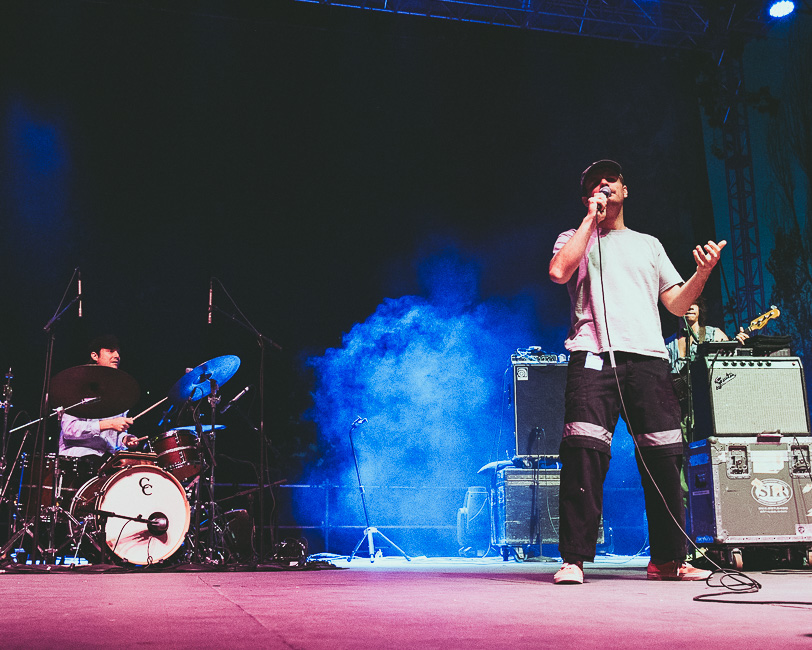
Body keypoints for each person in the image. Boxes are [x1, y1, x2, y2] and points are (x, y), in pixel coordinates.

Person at [548, 159, 720, 584]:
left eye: (611, 179)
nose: (603, 184)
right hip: (593, 356)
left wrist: (702, 272)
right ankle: (574, 559)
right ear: (587, 195)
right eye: (593, 182)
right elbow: (558, 271)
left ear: (626, 188)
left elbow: (677, 305)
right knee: (584, 456)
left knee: (665, 459)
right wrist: (591, 220)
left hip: (648, 361)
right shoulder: (574, 237)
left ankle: (667, 559)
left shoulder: (649, 244)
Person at [58, 335, 139, 458]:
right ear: (95, 356)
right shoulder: (78, 388)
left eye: (118, 352)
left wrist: (125, 439)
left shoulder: (119, 394)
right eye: (111, 351)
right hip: (78, 458)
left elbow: (115, 436)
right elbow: (69, 429)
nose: (117, 355)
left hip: (107, 460)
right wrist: (109, 424)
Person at [665, 296, 749, 374]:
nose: (690, 307)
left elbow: (729, 367)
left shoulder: (714, 334)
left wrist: (738, 347)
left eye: (695, 303)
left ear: (699, 308)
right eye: (685, 303)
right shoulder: (667, 344)